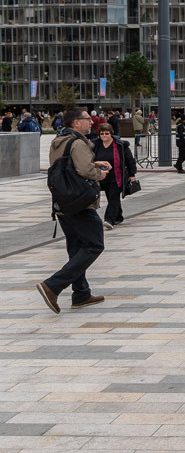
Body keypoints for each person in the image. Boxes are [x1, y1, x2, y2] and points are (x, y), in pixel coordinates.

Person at [36, 107, 110, 313]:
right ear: (76, 123)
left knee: (76, 249)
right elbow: (85, 170)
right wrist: (99, 173)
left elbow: (67, 165)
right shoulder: (78, 143)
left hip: (63, 203)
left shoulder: (59, 141)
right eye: (87, 119)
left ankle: (81, 294)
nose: (91, 122)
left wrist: (94, 162)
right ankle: (52, 286)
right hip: (80, 203)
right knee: (95, 245)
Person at [90, 123, 136, 230]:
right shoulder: (95, 145)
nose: (104, 136)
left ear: (111, 133)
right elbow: (90, 159)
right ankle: (118, 216)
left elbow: (129, 160)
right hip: (102, 176)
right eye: (102, 134)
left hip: (117, 176)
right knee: (111, 198)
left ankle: (109, 219)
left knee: (114, 196)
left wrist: (132, 174)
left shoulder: (120, 145)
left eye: (107, 133)